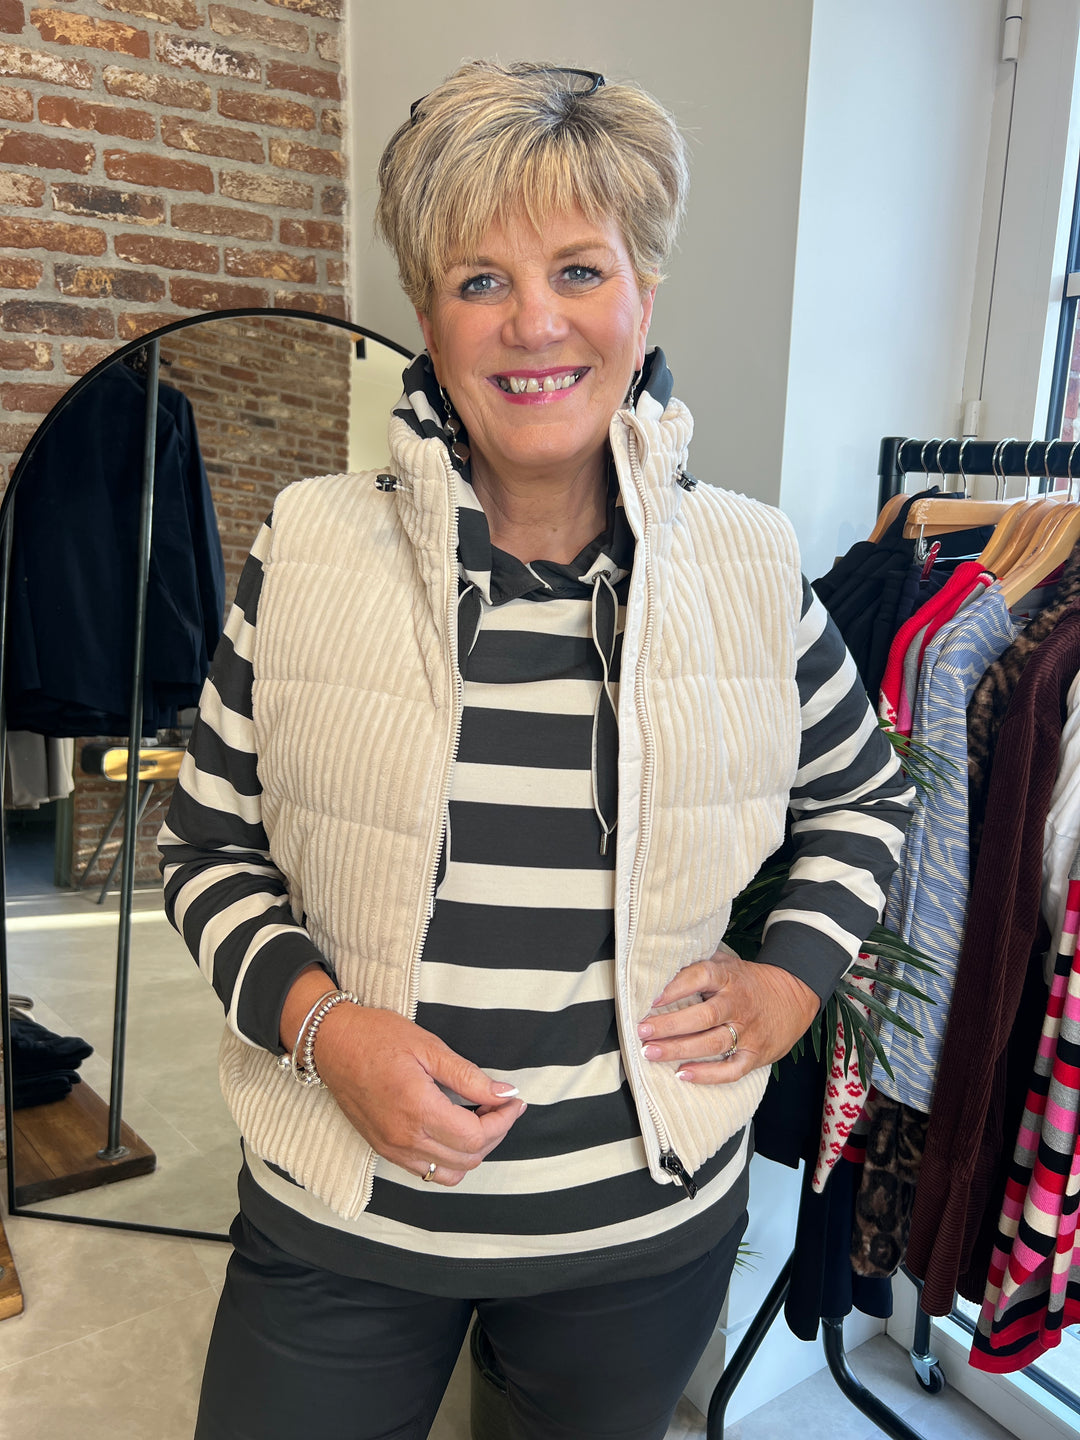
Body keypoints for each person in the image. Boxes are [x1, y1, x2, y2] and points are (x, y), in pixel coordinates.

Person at [160, 59, 913, 1440]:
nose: (534, 324)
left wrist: (791, 981)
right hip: (339, 1222)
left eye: (578, 269)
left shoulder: (750, 565)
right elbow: (205, 842)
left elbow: (863, 798)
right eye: (479, 280)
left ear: (643, 296)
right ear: (429, 318)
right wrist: (322, 1027)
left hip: (638, 1243)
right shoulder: (310, 544)